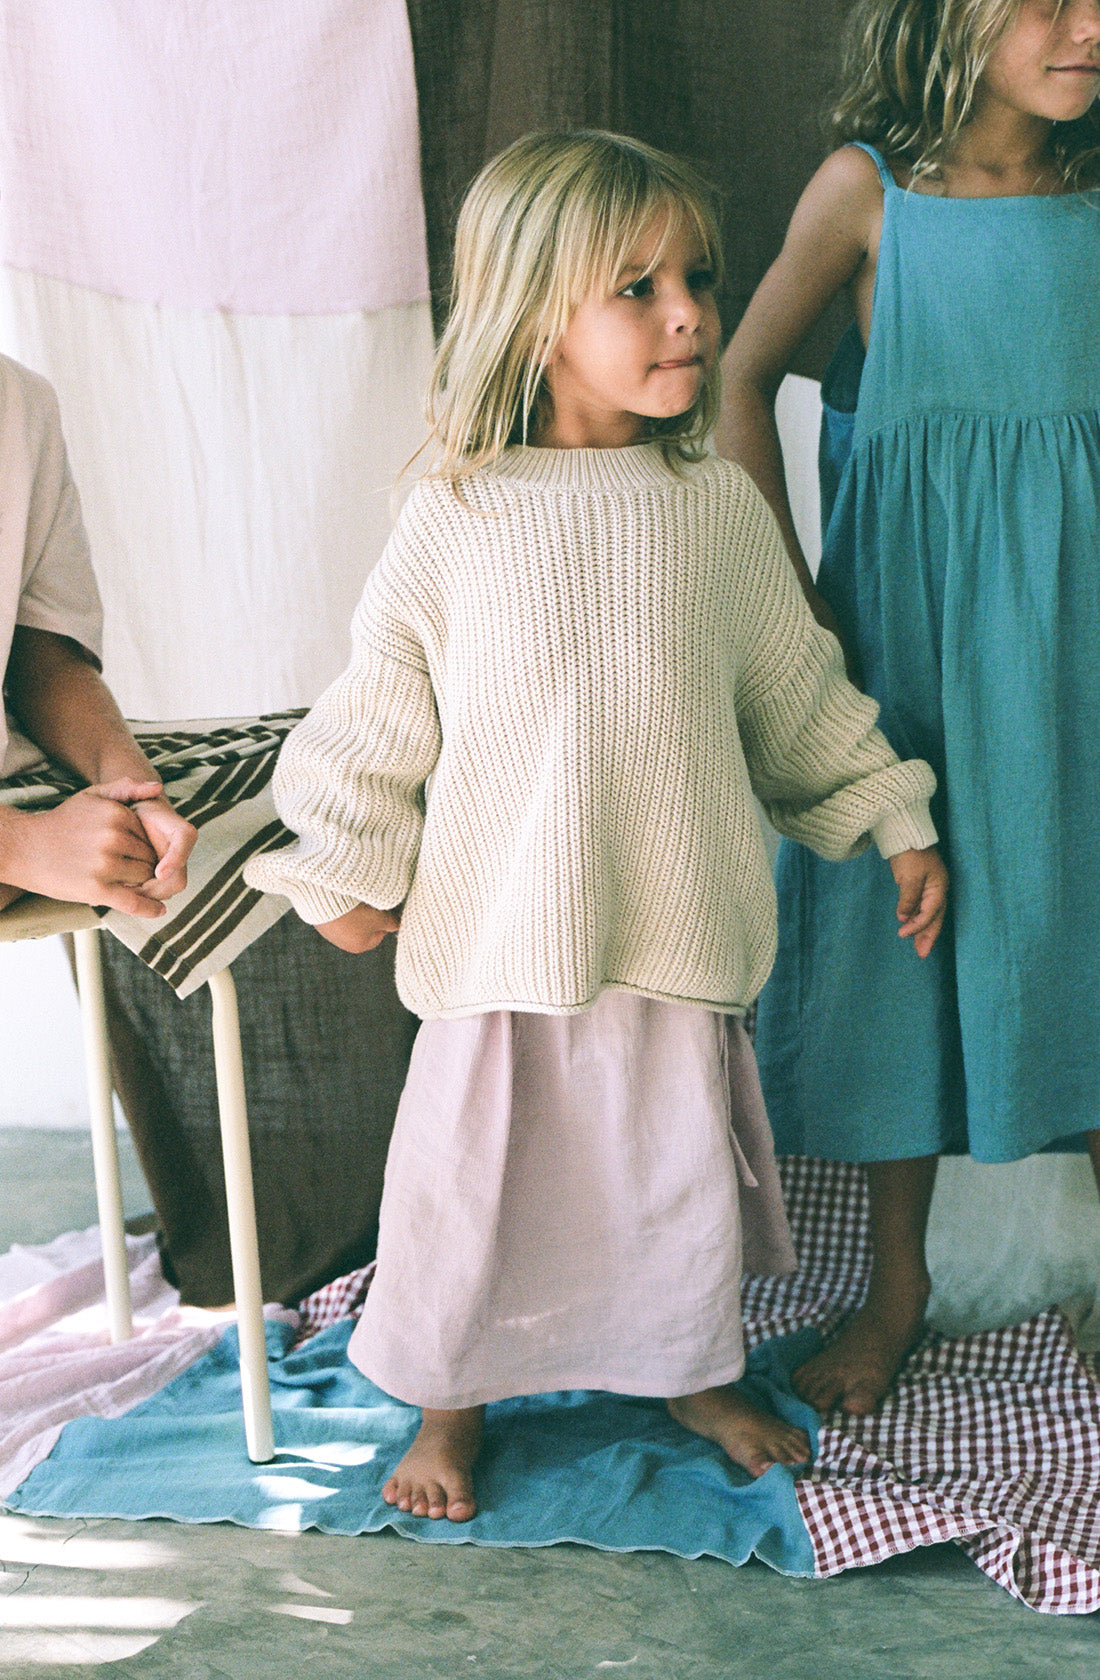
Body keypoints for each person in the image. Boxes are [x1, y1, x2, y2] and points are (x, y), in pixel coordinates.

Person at [246, 129, 947, 1522]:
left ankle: (690, 1370)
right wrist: (338, 860)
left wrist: (887, 811)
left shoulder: (714, 512)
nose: (690, 310)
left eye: (696, 276)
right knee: (474, 1203)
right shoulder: (454, 515)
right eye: (637, 286)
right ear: (534, 316)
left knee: (667, 1194)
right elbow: (377, 712)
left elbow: (798, 697)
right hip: (503, 942)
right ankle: (453, 1401)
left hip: (671, 927)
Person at [719, 0, 1100, 1418]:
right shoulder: (866, 196)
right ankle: (894, 1289)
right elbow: (741, 384)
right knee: (903, 958)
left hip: (1082, 637)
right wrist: (799, 609)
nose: (1090, 26)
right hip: (917, 640)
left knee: (1091, 924)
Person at [0, 354, 195, 913]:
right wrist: (21, 846)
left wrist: (135, 791)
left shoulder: (20, 403)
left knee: (301, 793)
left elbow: (44, 658)